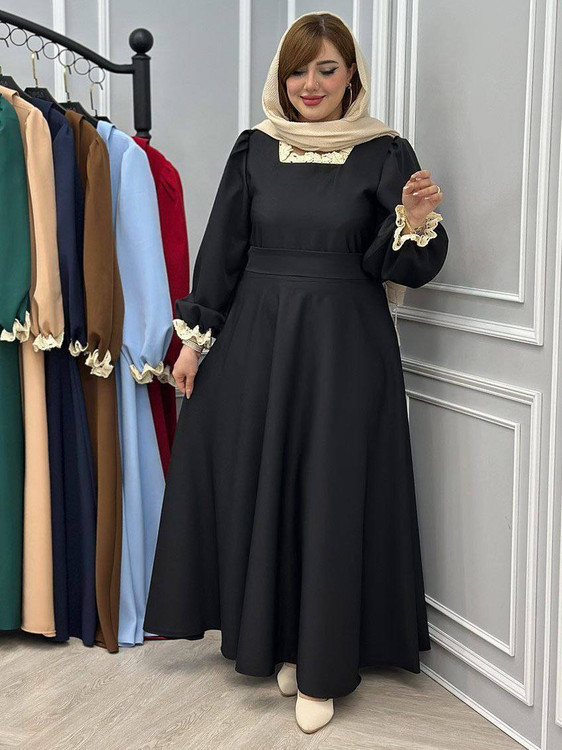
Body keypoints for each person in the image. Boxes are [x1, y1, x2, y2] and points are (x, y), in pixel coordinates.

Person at [144, 10, 448, 735]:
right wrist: (192, 342)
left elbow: (402, 266)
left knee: (330, 492)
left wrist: (412, 220)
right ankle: (283, 642)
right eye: (297, 70)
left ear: (351, 76)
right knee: (270, 484)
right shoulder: (254, 148)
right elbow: (223, 249)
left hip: (346, 349)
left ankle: (322, 662)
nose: (310, 84)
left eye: (326, 69)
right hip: (259, 341)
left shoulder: (385, 152)